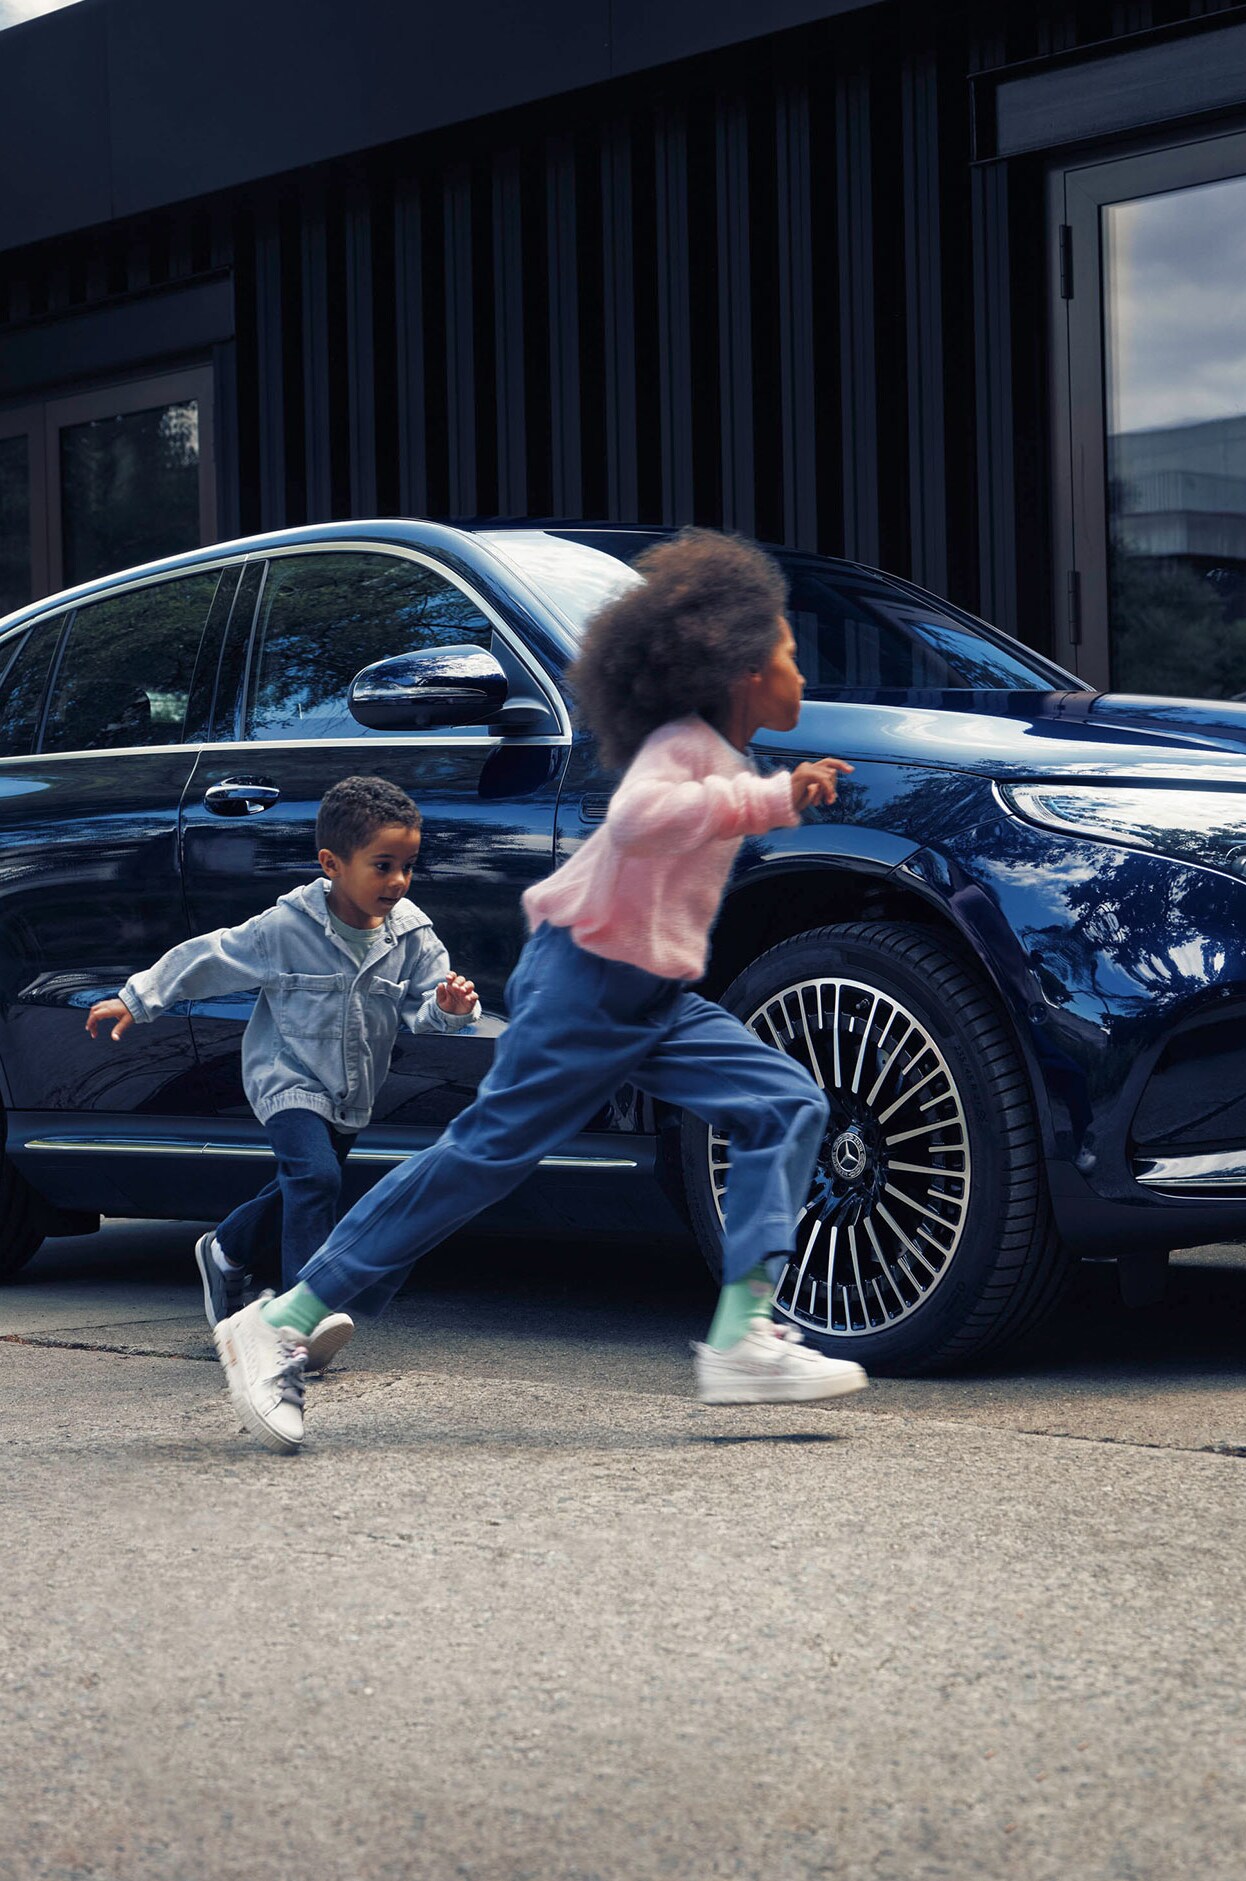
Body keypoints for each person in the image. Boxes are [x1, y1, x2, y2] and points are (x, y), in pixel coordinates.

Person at [216, 529, 867, 1452]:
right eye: (791, 653)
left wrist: (762, 791)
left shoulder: (722, 758)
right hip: (584, 985)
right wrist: (775, 799)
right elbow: (641, 819)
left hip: (653, 999)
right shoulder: (684, 749)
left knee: (786, 1103)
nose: (803, 668)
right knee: (482, 1157)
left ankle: (740, 1339)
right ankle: (282, 1319)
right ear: (740, 668)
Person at [85, 775, 479, 1376]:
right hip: (286, 1075)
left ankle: (225, 1249)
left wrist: (450, 1010)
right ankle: (298, 1318)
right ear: (332, 864)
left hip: (352, 1088)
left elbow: (426, 1009)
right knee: (315, 1177)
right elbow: (211, 957)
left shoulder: (412, 935)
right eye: (382, 865)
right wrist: (138, 999)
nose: (398, 881)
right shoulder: (286, 928)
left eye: (408, 865)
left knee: (301, 1186)